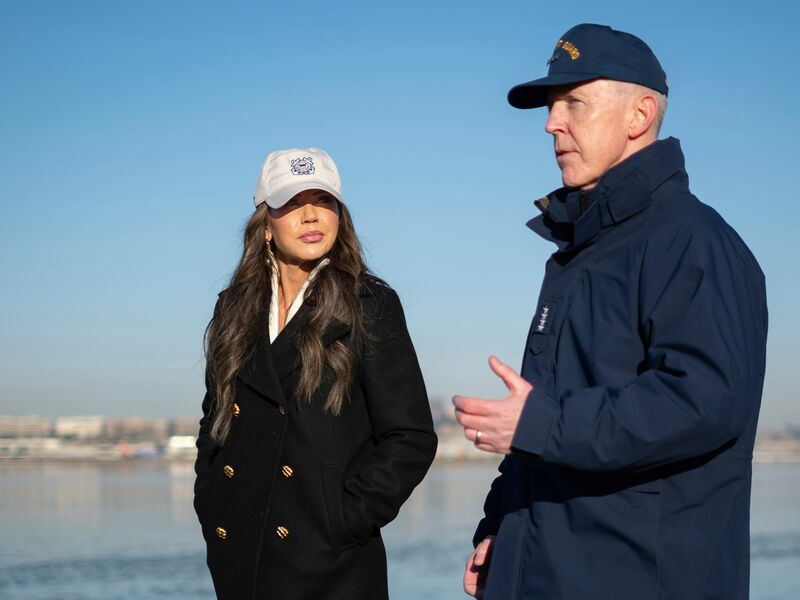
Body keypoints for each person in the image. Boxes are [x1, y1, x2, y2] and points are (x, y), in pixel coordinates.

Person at [453, 23, 768, 600]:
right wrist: (501, 526)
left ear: (639, 114)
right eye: (551, 107)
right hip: (548, 572)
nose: (552, 123)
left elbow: (704, 401)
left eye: (574, 101)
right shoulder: (583, 252)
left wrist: (539, 424)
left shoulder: (693, 242)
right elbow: (549, 415)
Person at [193, 147, 438, 599]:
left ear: (340, 215)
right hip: (240, 552)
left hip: (330, 564)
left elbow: (411, 437)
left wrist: (343, 518)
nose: (310, 215)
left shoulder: (369, 305)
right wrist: (211, 501)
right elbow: (215, 422)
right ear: (266, 223)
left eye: (323, 201)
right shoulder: (234, 309)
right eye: (291, 202)